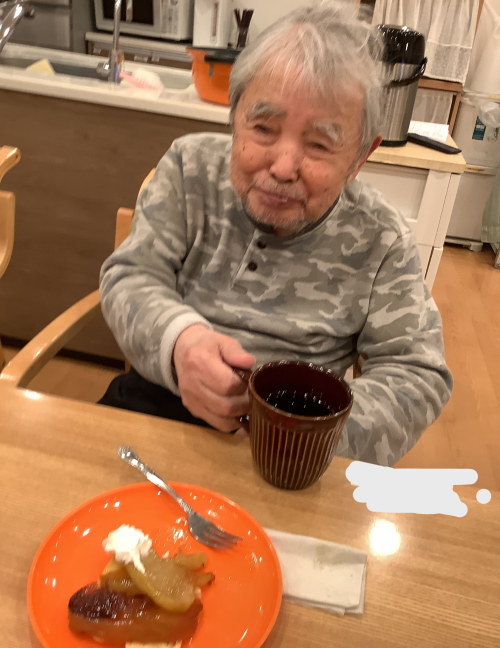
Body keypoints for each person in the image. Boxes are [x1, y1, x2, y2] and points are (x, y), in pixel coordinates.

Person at [99, 1, 453, 466]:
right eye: (263, 128)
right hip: (158, 404)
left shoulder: (381, 237)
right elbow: (131, 276)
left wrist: (308, 433)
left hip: (296, 454)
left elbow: (417, 374)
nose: (283, 167)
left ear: (359, 159)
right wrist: (180, 343)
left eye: (319, 144)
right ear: (235, 117)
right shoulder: (190, 169)